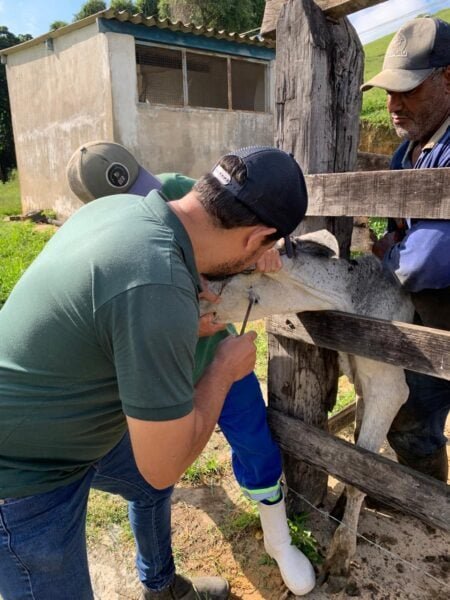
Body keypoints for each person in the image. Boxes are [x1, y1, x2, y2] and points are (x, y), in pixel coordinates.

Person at [0, 146, 311, 600]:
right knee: (155, 475)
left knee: (146, 487)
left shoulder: (121, 208)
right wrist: (222, 369)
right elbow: (164, 466)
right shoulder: (157, 285)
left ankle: (161, 586)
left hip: (61, 426)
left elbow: (116, 311)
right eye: (266, 248)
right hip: (22, 474)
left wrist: (182, 324)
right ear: (257, 238)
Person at [362, 16, 450, 482]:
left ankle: (428, 506)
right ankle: (425, 500)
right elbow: (396, 226)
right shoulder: (408, 151)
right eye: (388, 92)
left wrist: (389, 253)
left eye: (407, 90)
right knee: (411, 417)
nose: (393, 105)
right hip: (427, 316)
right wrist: (398, 240)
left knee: (414, 416)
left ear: (448, 78)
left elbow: (423, 263)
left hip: (439, 309)